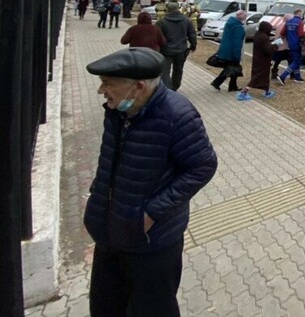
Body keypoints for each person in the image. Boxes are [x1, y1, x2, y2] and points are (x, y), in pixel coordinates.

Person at [84, 47, 217, 317]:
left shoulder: (177, 116)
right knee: (106, 305)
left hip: (151, 241)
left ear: (139, 87)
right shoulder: (119, 110)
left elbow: (203, 166)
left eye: (108, 83)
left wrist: (152, 212)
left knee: (152, 307)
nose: (102, 91)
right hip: (110, 231)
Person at [157, 1, 197, 92]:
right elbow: (192, 34)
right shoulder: (186, 20)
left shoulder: (162, 21)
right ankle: (175, 86)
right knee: (178, 70)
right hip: (181, 50)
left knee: (165, 71)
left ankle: (167, 87)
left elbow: (157, 35)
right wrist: (193, 45)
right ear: (178, 9)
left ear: (168, 10)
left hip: (166, 50)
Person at [211, 10, 247, 92]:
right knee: (231, 68)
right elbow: (237, 43)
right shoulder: (238, 27)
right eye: (245, 17)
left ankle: (232, 86)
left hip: (225, 49)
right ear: (242, 17)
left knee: (233, 68)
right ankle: (217, 82)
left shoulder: (229, 23)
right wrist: (237, 55)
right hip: (231, 51)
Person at [242, 21, 277, 100]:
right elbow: (268, 50)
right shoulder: (264, 37)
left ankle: (267, 90)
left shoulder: (258, 35)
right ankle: (245, 91)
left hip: (258, 59)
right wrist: (275, 46)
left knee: (263, 76)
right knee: (257, 77)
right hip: (263, 60)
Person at [278, 8, 305, 85]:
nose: (301, 15)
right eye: (301, 13)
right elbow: (301, 34)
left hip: (290, 44)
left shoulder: (288, 22)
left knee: (295, 60)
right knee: (296, 61)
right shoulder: (300, 22)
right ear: (299, 13)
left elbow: (282, 33)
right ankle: (283, 76)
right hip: (297, 43)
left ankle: (297, 77)